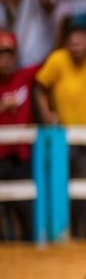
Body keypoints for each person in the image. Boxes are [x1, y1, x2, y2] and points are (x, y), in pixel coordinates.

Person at [33, 25, 86, 238]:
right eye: (72, 42)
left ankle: (84, 234)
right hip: (60, 138)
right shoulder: (57, 60)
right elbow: (39, 87)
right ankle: (60, 233)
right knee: (59, 189)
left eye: (80, 42)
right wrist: (46, 115)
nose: (76, 46)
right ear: (67, 43)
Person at [0, 30, 37, 241]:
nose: (5, 58)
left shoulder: (25, 77)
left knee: (25, 211)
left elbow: (54, 60)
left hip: (20, 157)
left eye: (9, 52)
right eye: (1, 52)